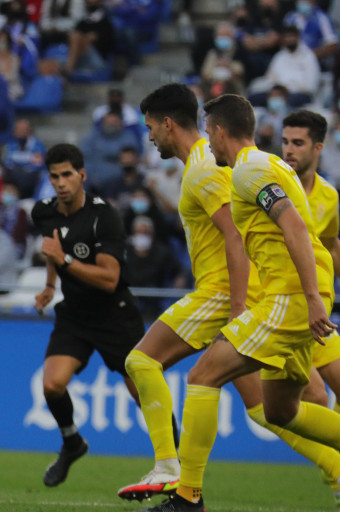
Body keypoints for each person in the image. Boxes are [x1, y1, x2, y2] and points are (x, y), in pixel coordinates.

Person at [120, 84, 340, 503]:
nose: (206, 139)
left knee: (194, 374)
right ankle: (335, 467)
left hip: (280, 297)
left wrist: (300, 299)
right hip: (285, 295)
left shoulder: (240, 170)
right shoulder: (271, 164)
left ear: (219, 131)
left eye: (209, 130)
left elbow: (281, 229)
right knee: (276, 411)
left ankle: (183, 490)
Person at [31, 143, 145, 488]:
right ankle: (72, 442)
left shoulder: (104, 216)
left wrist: (64, 262)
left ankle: (178, 460)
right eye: (55, 176)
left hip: (115, 314)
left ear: (82, 175)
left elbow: (110, 280)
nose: (61, 182)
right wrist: (51, 285)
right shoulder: (44, 212)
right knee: (51, 384)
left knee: (144, 391)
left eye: (67, 174)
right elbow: (53, 248)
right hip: (75, 314)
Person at [281, 111, 340, 406]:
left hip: (316, 314)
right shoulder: (269, 189)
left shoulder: (329, 196)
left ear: (318, 148)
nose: (288, 149)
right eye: (285, 141)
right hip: (281, 308)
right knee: (315, 397)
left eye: (298, 143)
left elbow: (330, 246)